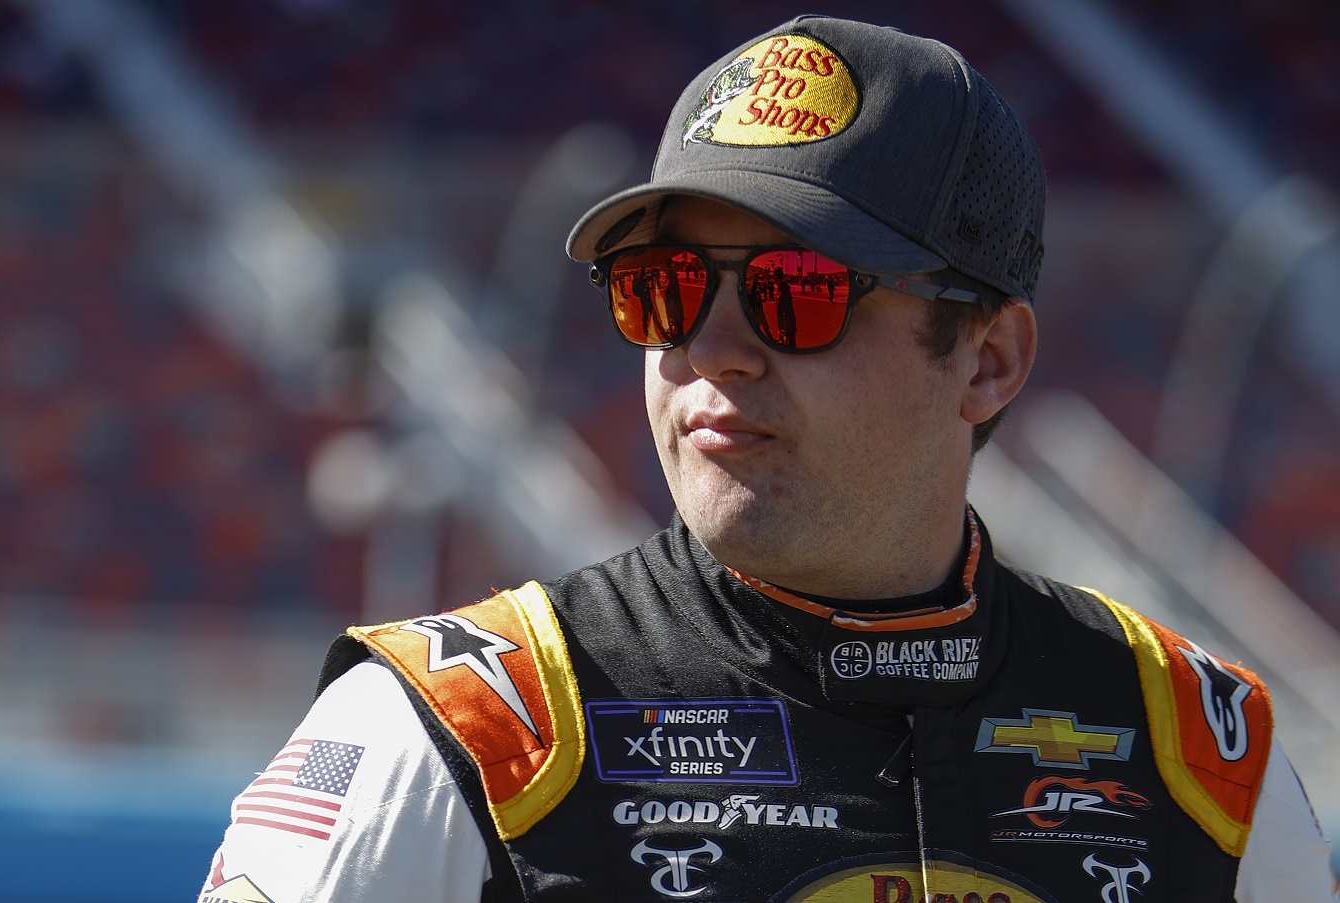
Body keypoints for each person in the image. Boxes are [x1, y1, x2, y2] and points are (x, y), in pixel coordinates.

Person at [200, 14, 1338, 903]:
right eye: (665, 289)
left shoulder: (1199, 751)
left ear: (987, 359)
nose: (710, 350)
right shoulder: (456, 733)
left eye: (799, 297)